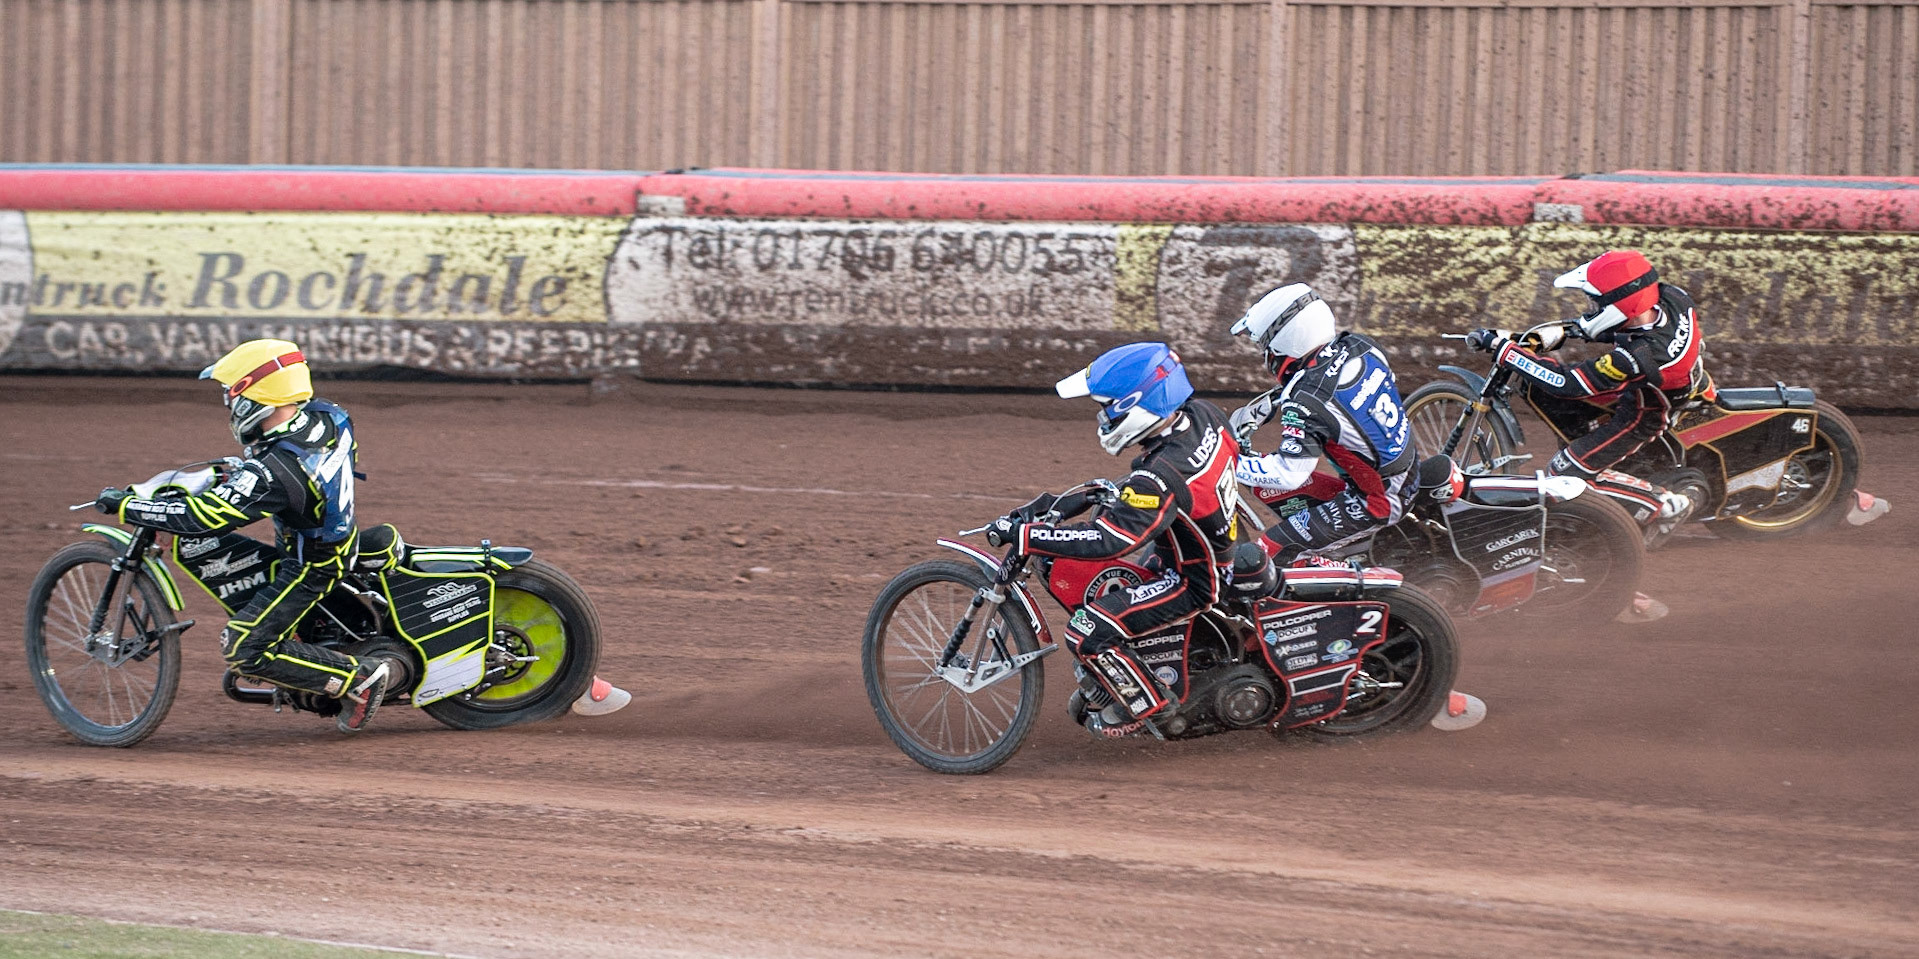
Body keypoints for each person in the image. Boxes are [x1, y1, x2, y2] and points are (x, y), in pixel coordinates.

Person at [93, 339, 393, 733]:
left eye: (231, 394)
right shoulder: (329, 416)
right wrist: (239, 471)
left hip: (311, 566)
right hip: (335, 540)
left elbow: (204, 518)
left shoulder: (273, 471)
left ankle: (359, 679)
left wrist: (127, 507)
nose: (228, 404)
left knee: (243, 648)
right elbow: (274, 462)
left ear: (255, 398)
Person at [983, 342, 1241, 733]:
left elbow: (1111, 541)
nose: (1102, 417)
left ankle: (1152, 708)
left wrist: (1029, 536)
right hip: (1204, 546)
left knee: (1086, 632)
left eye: (1107, 407)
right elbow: (1160, 493)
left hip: (1194, 581)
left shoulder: (1159, 475)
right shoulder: (1204, 415)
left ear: (1135, 405)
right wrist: (1074, 500)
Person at [1464, 249, 1710, 543]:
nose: (1590, 306)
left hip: (1645, 412)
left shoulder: (1639, 357)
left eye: (1595, 301)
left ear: (1618, 305)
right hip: (1678, 376)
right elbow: (1622, 324)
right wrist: (1569, 330)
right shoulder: (1671, 297)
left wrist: (1505, 350)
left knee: (1561, 473)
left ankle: (1665, 504)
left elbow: (1566, 383)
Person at [1225, 283, 1416, 562]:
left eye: (1266, 347)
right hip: (1405, 471)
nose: (1266, 356)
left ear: (1285, 342)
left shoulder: (1306, 401)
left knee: (1269, 553)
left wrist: (1226, 462)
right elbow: (1335, 391)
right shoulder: (1361, 346)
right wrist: (1277, 402)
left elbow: (1289, 473)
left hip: (1376, 500)